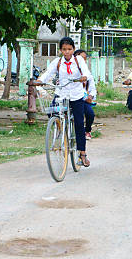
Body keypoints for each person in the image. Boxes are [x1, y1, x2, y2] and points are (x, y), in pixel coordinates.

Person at [38, 37, 93, 167]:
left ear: (73, 49)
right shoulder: (58, 62)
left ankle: (82, 154)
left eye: (69, 49)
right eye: (64, 49)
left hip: (76, 95)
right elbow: (48, 74)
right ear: (61, 50)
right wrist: (39, 81)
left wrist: (83, 77)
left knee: (79, 124)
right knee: (51, 111)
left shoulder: (78, 60)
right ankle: (59, 129)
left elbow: (86, 72)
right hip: (61, 94)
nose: (67, 52)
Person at [74, 50, 97, 140]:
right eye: (80, 58)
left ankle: (87, 131)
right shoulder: (69, 70)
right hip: (70, 97)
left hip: (83, 99)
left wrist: (90, 97)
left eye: (84, 59)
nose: (83, 61)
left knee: (90, 113)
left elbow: (93, 89)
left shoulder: (88, 74)